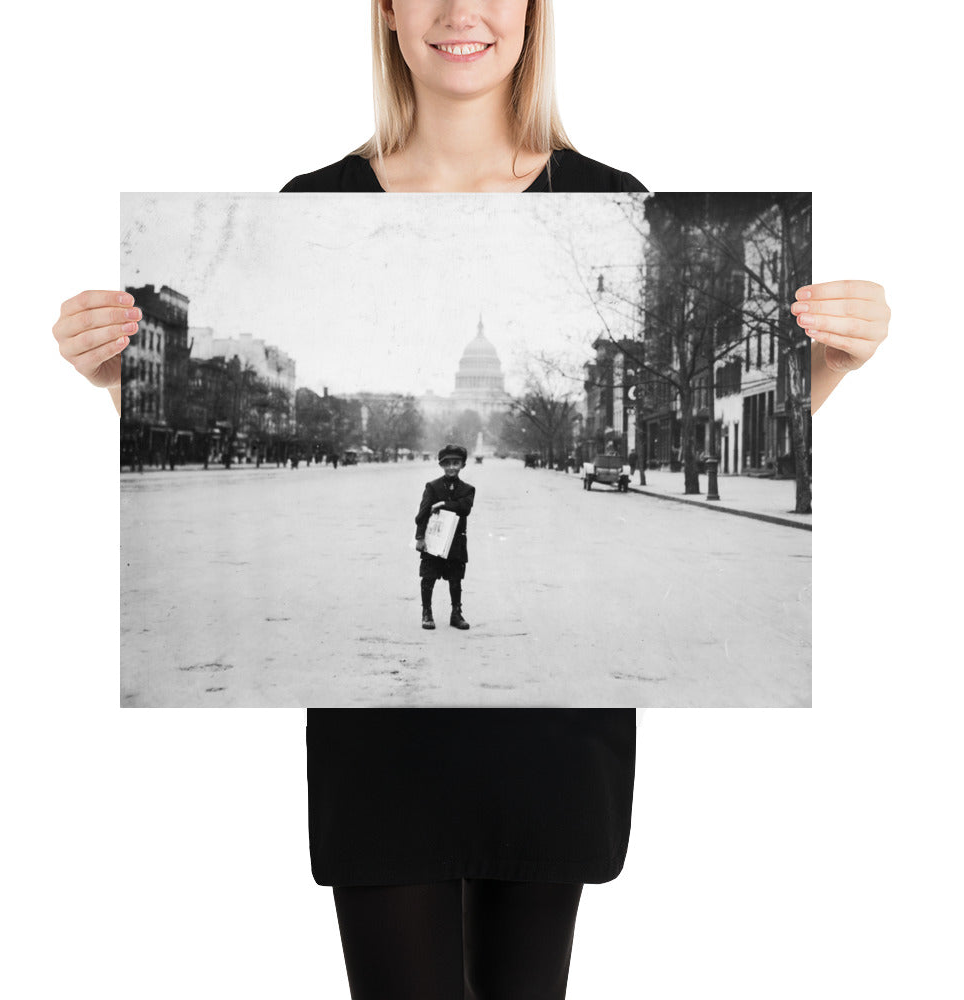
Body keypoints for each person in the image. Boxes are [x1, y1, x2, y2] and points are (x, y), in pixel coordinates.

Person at [52, 2, 890, 997]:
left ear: (535, 14)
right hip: (380, 742)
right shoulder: (310, 201)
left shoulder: (610, 196)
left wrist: (825, 367)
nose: (461, 10)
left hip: (553, 740)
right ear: (388, 14)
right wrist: (110, 378)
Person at [415, 444, 476, 630]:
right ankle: (427, 612)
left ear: (462, 465)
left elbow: (464, 508)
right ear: (441, 465)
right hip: (433, 539)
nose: (451, 467)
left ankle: (456, 614)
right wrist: (420, 537)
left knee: (456, 579)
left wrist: (443, 504)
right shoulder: (432, 487)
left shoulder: (467, 489)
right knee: (428, 576)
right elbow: (423, 513)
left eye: (456, 463)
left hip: (456, 542)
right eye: (447, 463)